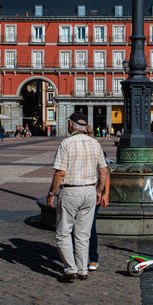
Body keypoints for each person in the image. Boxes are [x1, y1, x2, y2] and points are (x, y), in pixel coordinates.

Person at [47, 112, 108, 283]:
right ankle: (83, 269)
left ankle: (70, 268)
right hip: (89, 191)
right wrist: (99, 190)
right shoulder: (95, 144)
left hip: (70, 191)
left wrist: (51, 193)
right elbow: (103, 171)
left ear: (71, 125)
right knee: (83, 234)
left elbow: (60, 173)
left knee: (63, 232)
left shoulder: (66, 143)